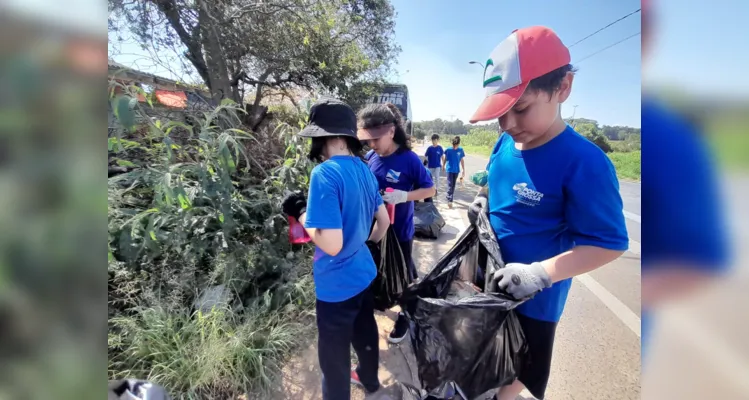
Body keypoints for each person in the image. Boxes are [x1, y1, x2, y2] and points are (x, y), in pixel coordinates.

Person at [466, 26, 629, 400]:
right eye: (500, 114)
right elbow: (493, 182)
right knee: (480, 361)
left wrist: (541, 273)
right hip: (489, 285)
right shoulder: (506, 142)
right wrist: (482, 198)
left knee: (516, 374)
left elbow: (608, 243)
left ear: (563, 88)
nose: (507, 125)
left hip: (533, 302)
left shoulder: (584, 162)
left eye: (520, 109)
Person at [281, 98, 391, 400]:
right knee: (364, 331)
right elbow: (383, 223)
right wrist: (367, 242)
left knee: (333, 359)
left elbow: (331, 244)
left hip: (335, 285)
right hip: (364, 273)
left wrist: (300, 210)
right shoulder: (365, 168)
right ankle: (370, 382)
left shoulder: (324, 174)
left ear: (326, 137)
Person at [356, 102, 436, 344]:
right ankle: (379, 301)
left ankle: (405, 313)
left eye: (376, 139)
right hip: (376, 229)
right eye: (367, 140)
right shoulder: (371, 157)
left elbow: (430, 190)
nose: (372, 145)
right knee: (377, 269)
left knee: (401, 275)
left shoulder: (409, 160)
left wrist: (404, 196)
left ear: (391, 131)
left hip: (399, 230)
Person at [442, 135, 465, 208]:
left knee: (453, 185)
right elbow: (445, 158)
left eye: (456, 145)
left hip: (456, 170)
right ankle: (450, 200)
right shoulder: (448, 150)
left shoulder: (460, 150)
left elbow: (461, 160)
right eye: (454, 145)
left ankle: (449, 196)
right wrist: (443, 165)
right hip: (449, 169)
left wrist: (463, 169)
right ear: (452, 144)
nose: (455, 147)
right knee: (449, 184)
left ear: (458, 144)